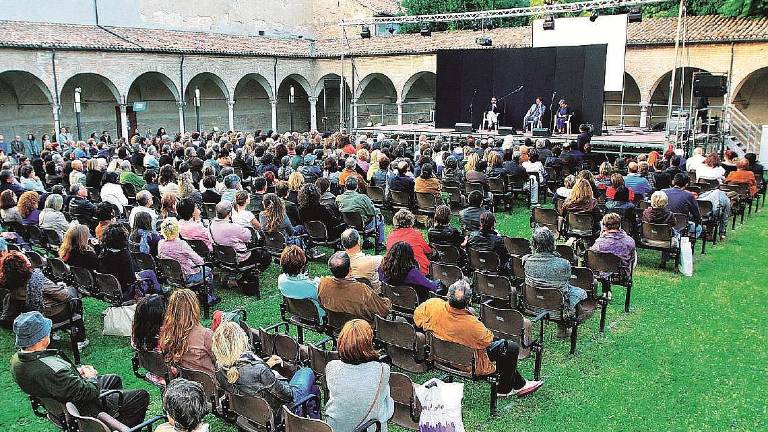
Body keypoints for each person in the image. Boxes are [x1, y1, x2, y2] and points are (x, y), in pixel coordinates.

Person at [10, 311, 150, 426]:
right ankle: (116, 427)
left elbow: (56, 380)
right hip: (81, 406)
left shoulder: (18, 360)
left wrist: (75, 373)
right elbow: (89, 392)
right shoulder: (49, 369)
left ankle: (111, 419)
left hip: (63, 398)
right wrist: (91, 377)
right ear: (40, 338)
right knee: (141, 396)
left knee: (114, 379)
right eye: (46, 331)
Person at [414, 280, 543, 397]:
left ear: (448, 295)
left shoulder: (432, 304)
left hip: (440, 355)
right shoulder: (472, 325)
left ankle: (520, 384)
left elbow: (417, 318)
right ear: (469, 301)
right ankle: (504, 390)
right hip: (467, 363)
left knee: (502, 346)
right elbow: (488, 341)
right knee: (510, 347)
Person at [212, 321, 321, 423]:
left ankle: (309, 420)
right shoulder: (259, 370)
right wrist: (275, 375)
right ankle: (310, 421)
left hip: (251, 412)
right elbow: (289, 396)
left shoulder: (219, 367)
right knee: (307, 372)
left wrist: (266, 364)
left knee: (313, 390)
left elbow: (245, 377)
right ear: (240, 341)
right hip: (277, 414)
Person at [324, 319, 394, 432]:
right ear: (368, 343)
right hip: (367, 428)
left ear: (342, 341)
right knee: (383, 398)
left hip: (335, 427)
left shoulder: (331, 367)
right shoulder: (382, 369)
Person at [523, 227, 587, 334]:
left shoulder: (526, 261)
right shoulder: (564, 263)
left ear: (533, 244)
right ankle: (564, 328)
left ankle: (565, 326)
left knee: (559, 291)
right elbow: (566, 284)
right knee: (573, 292)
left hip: (532, 303)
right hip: (557, 307)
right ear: (552, 243)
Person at [0, 251, 81, 332]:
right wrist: (64, 288)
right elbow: (65, 296)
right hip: (52, 314)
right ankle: (80, 336)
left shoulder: (9, 282)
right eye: (26, 258)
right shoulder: (37, 279)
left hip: (31, 314)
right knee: (73, 291)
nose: (28, 259)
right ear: (25, 264)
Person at [317, 251, 391, 322]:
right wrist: (388, 301)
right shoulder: (362, 291)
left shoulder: (323, 284)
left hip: (334, 327)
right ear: (350, 269)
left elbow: (322, 304)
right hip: (359, 330)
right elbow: (383, 310)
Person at [158, 289, 215, 374]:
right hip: (208, 385)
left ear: (172, 309)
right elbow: (219, 360)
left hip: (183, 382)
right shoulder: (205, 335)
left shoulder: (167, 333)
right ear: (194, 307)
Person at [100, 223, 160, 299]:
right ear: (122, 238)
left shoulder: (103, 252)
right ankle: (160, 297)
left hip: (110, 288)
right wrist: (136, 276)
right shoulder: (124, 254)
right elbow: (131, 280)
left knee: (149, 273)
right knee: (151, 274)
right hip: (126, 290)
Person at [209, 201, 271, 273]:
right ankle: (252, 273)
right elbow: (248, 237)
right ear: (229, 213)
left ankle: (231, 275)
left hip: (221, 256)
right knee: (266, 255)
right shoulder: (233, 227)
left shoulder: (211, 224)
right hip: (240, 258)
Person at [590, 213, 636, 297]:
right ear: (619, 225)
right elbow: (632, 259)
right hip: (621, 274)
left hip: (601, 272)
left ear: (604, 226)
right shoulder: (629, 241)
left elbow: (592, 256)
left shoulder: (600, 242)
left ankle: (602, 292)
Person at [158, 218, 212, 285]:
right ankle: (209, 294)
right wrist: (201, 262)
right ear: (177, 230)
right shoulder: (181, 244)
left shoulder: (160, 243)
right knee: (208, 270)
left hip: (171, 276)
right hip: (187, 276)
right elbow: (199, 261)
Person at [277, 245, 325, 319]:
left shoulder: (281, 280)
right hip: (318, 318)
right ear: (303, 264)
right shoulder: (313, 285)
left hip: (295, 313)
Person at [336, 176, 384, 246]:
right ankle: (380, 243)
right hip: (363, 225)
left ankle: (366, 241)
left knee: (366, 215)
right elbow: (372, 212)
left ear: (345, 186)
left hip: (347, 224)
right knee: (380, 217)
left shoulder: (339, 198)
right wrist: (378, 211)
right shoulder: (363, 198)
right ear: (357, 186)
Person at [131, 294, 167, 385]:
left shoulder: (137, 331)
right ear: (159, 314)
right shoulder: (164, 335)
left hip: (153, 371)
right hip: (169, 374)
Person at [386, 209, 433, 275]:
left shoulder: (390, 237)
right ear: (411, 221)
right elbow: (428, 251)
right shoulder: (416, 234)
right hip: (419, 273)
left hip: (396, 273)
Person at [341, 228, 383, 293]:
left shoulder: (338, 263)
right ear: (358, 242)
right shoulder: (374, 261)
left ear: (343, 244)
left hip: (350, 296)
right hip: (372, 299)